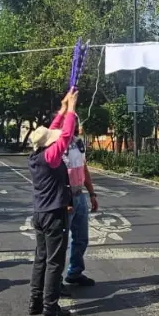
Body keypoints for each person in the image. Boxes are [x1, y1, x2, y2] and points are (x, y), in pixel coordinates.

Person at [28, 89, 78, 316]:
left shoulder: (36, 154)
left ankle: (35, 301)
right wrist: (73, 109)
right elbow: (65, 134)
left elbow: (53, 131)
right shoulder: (51, 157)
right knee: (54, 262)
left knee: (41, 258)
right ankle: (50, 307)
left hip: (39, 213)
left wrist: (63, 108)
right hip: (53, 214)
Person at [63, 116, 98, 287]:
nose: (77, 125)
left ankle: (75, 272)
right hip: (64, 198)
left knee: (81, 238)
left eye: (77, 122)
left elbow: (84, 168)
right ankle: (54, 281)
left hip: (80, 195)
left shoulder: (78, 143)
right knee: (60, 241)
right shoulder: (57, 145)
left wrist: (92, 193)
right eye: (72, 122)